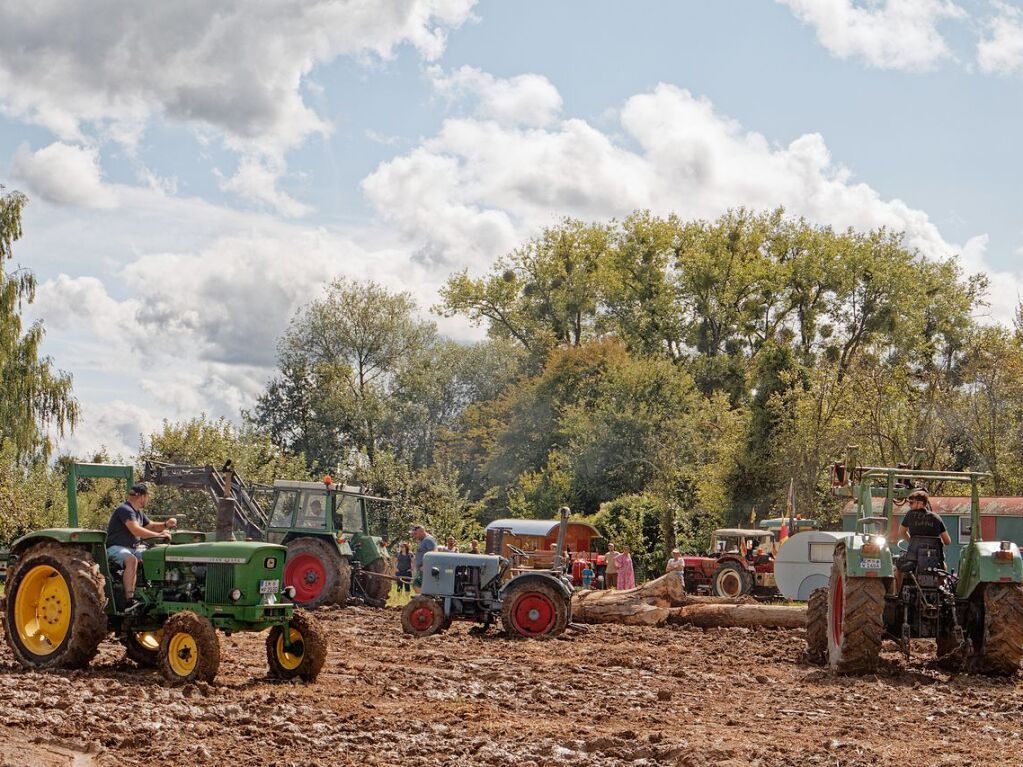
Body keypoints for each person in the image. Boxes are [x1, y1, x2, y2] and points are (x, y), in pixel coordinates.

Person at [106, 483, 177, 606]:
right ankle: (129, 599)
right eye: (147, 497)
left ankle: (154, 591)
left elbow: (152, 526)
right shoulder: (124, 509)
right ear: (142, 497)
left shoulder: (138, 512)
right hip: (116, 548)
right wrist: (158, 535)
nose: (147, 500)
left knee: (153, 556)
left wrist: (166, 525)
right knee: (131, 560)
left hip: (133, 548)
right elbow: (135, 530)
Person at [899, 488, 951, 566]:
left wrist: (912, 542)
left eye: (911, 503)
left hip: (914, 557)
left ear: (920, 503)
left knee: (898, 567)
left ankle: (899, 579)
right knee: (943, 567)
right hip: (934, 557)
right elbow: (947, 541)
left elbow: (901, 532)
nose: (909, 505)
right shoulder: (937, 518)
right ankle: (941, 579)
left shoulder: (910, 514)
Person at [410, 524, 437, 593]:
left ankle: (423, 599)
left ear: (421, 532)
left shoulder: (428, 540)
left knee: (416, 583)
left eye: (416, 534)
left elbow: (434, 553)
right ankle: (423, 599)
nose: (415, 536)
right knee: (419, 584)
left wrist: (426, 565)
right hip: (422, 568)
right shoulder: (423, 540)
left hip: (425, 568)